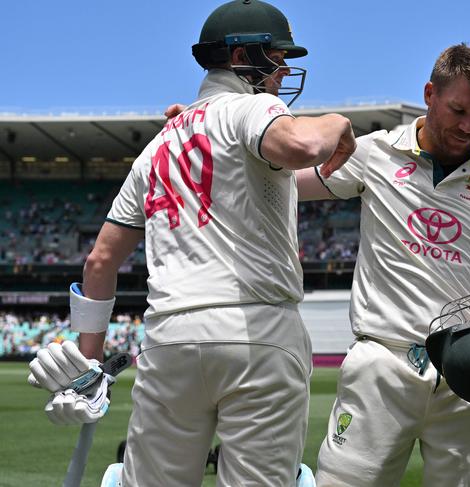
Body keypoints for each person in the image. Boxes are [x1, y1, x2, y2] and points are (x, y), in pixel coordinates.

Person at [27, 1, 355, 486]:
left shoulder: (157, 145)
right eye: (279, 57)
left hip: (169, 341)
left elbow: (99, 262)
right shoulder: (254, 105)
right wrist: (338, 124)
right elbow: (302, 148)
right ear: (245, 56)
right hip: (257, 331)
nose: (285, 71)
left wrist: (89, 363)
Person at [297, 43, 470, 486]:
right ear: (430, 93)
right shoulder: (375, 154)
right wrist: (218, 140)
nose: (468, 127)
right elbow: (285, 184)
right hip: (381, 364)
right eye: (458, 110)